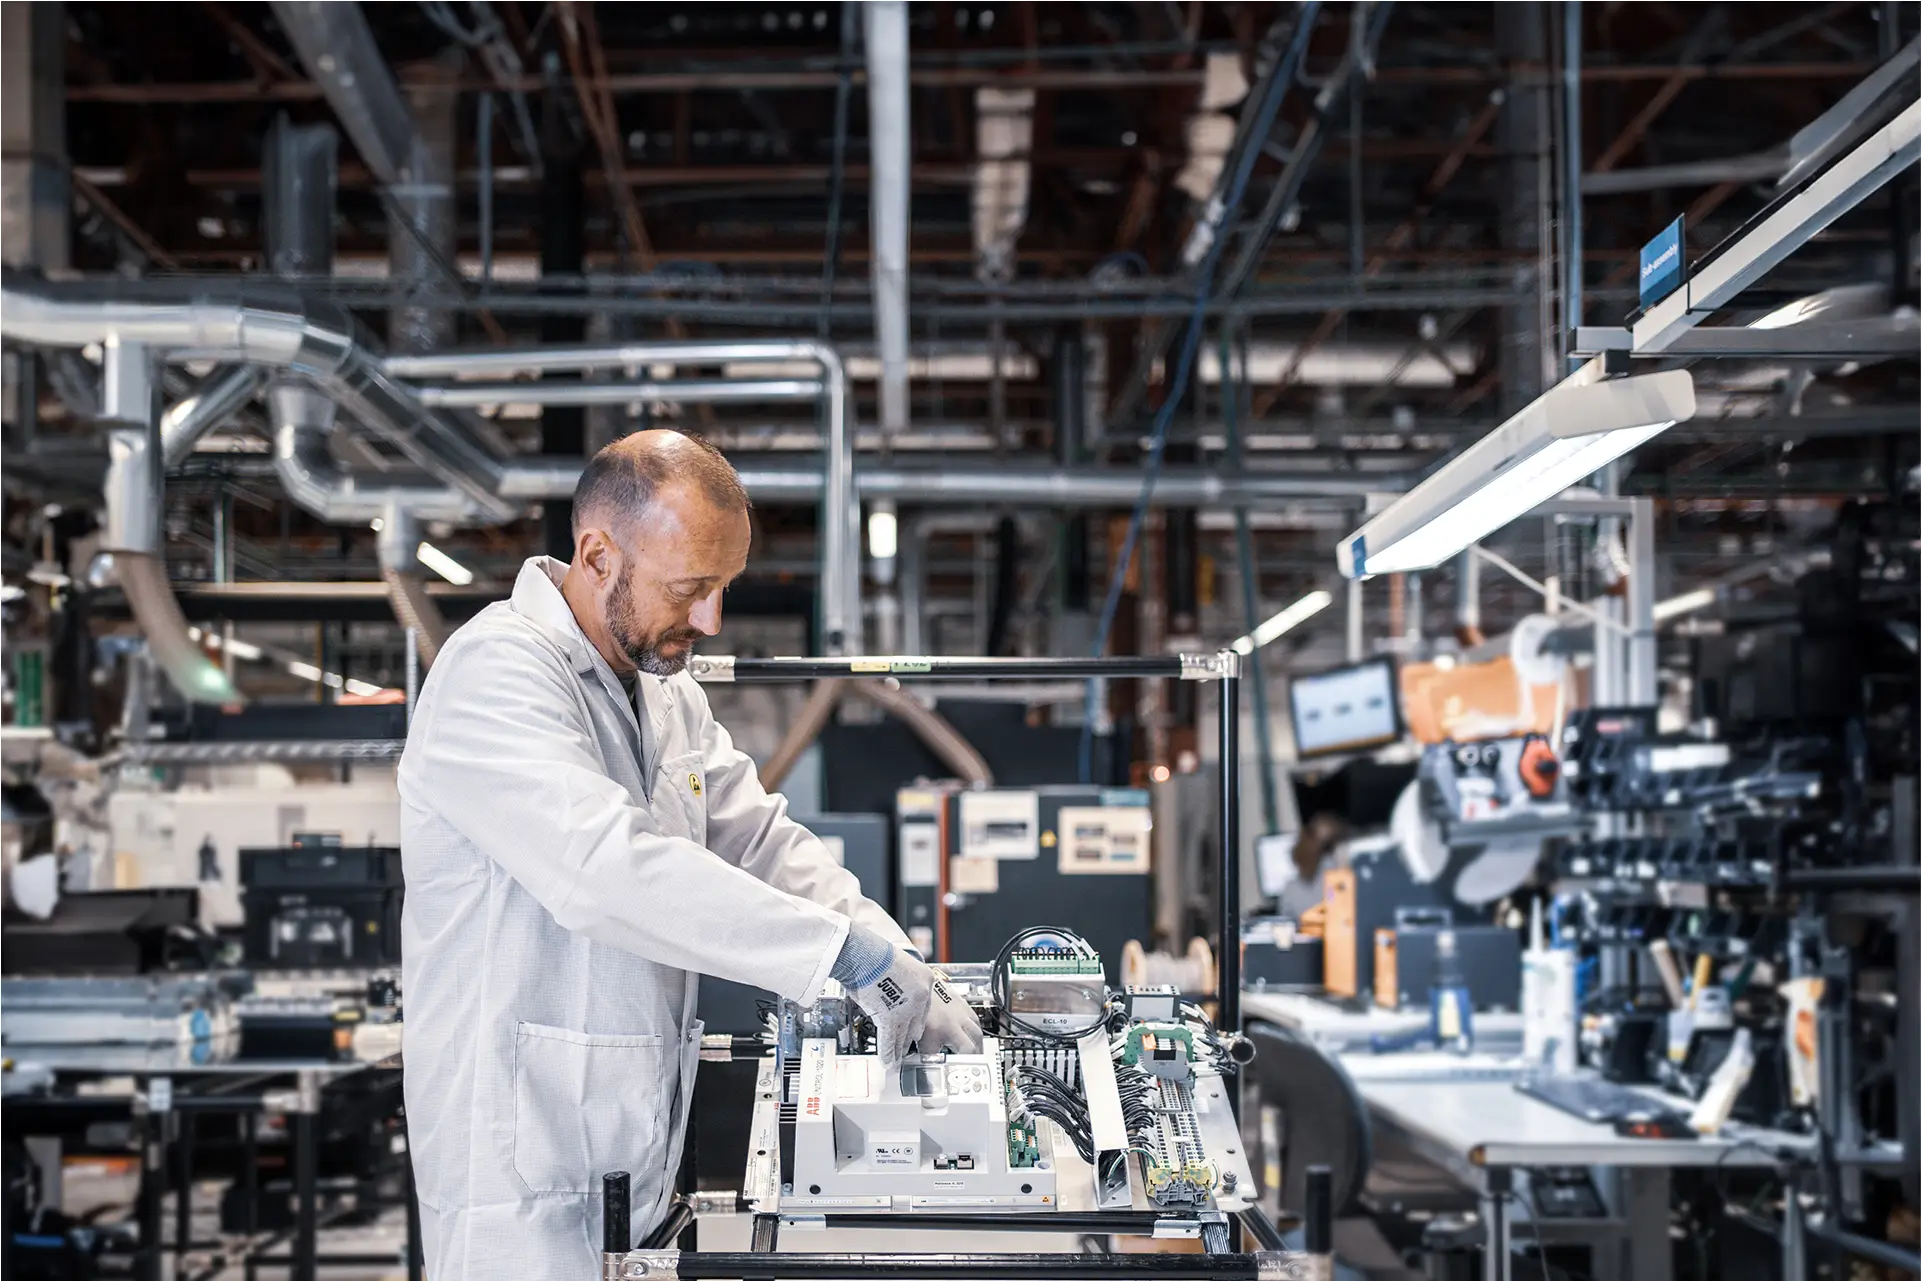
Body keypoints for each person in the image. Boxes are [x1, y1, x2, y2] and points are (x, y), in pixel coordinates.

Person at [398, 430, 981, 1280]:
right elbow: (603, 870)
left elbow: (757, 839)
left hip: (636, 1156)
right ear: (597, 555)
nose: (710, 620)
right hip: (521, 1170)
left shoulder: (666, 694)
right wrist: (838, 957)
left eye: (723, 588)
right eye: (690, 588)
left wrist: (888, 950)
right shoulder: (496, 672)